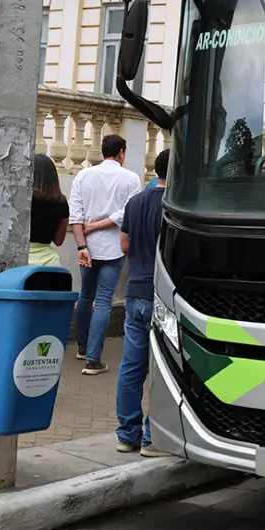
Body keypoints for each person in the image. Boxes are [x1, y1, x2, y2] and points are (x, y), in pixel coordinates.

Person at [69, 135, 140, 376]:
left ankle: (81, 346)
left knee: (86, 296)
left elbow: (75, 215)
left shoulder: (83, 175)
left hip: (86, 247)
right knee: (104, 300)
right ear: (121, 152)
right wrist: (99, 225)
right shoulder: (131, 178)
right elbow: (125, 214)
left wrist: (82, 245)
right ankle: (93, 359)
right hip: (113, 249)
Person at [116, 149, 171, 457]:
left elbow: (124, 244)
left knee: (131, 367)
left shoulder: (135, 201)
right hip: (163, 297)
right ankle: (152, 438)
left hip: (135, 291)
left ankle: (126, 435)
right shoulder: (175, 205)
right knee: (162, 368)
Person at [29, 154, 69, 267]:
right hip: (49, 264)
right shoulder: (61, 202)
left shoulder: (23, 200)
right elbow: (59, 241)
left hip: (21, 263)